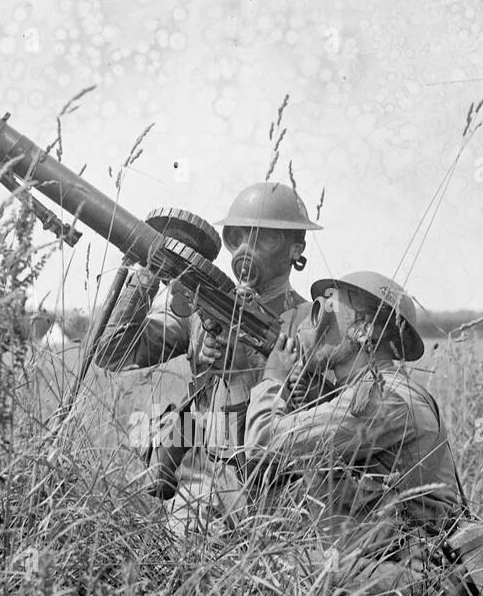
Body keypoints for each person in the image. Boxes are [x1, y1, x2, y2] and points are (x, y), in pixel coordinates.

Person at [242, 270, 483, 596]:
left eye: (330, 308)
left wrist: (272, 377)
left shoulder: (382, 397)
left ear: (363, 330)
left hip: (429, 585)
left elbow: (263, 444)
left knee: (278, 567)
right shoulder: (375, 391)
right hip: (409, 571)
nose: (317, 321)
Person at [92, 182, 321, 521]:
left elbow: (326, 415)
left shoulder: (311, 323)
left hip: (275, 492)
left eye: (265, 238)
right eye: (238, 237)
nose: (247, 248)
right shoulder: (202, 310)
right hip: (200, 487)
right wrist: (149, 273)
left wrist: (257, 364)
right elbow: (114, 353)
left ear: (295, 248)